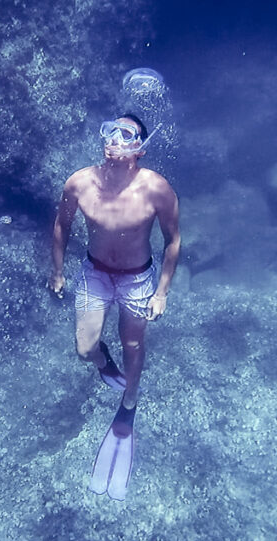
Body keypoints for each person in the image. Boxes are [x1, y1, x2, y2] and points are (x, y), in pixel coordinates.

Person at [49, 113, 180, 499]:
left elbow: (173, 240)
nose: (114, 139)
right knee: (84, 349)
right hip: (95, 273)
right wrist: (57, 272)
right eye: (110, 131)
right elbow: (62, 225)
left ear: (140, 146)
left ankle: (130, 403)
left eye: (126, 134)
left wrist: (162, 291)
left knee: (134, 344)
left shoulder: (157, 189)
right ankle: (103, 362)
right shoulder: (79, 182)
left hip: (138, 278)